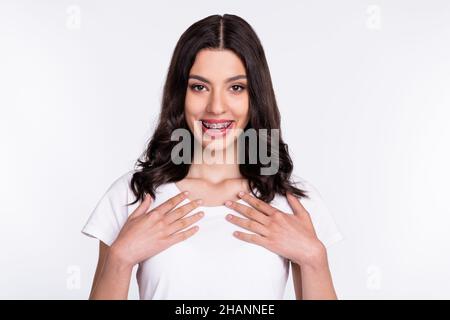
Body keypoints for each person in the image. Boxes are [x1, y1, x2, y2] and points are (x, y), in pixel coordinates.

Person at [81, 14, 344, 300]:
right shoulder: (133, 196)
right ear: (180, 94)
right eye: (199, 87)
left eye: (236, 87)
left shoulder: (292, 202)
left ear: (255, 95)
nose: (216, 107)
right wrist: (120, 259)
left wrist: (314, 258)